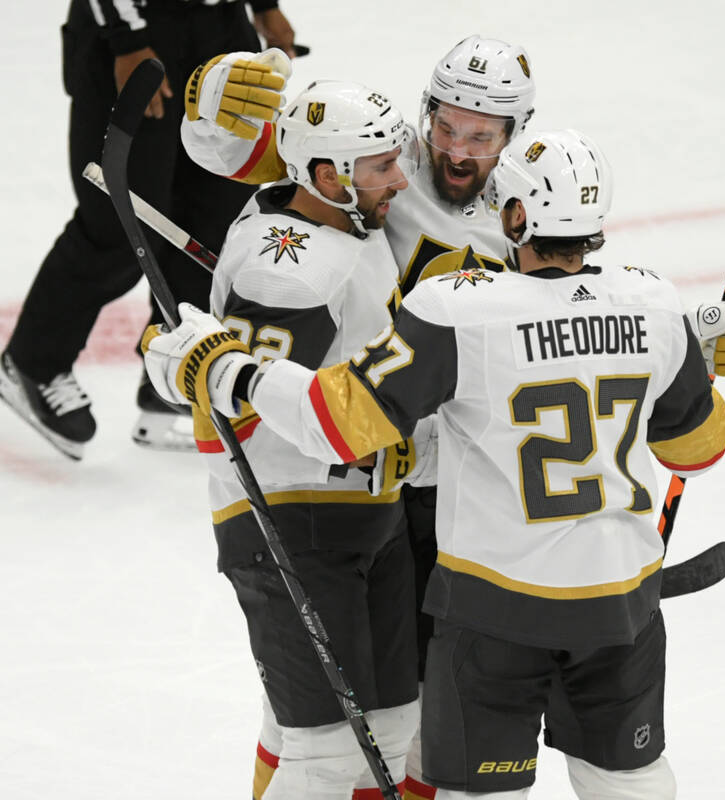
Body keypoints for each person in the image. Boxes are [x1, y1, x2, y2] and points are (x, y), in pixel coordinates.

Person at [141, 128, 725, 799]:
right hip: (622, 608)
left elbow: (340, 423)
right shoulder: (656, 305)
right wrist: (690, 368)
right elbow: (700, 449)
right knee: (630, 781)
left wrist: (227, 369)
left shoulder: (460, 309)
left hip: (497, 617)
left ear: (517, 215)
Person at [182, 35, 532, 799]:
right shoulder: (373, 153)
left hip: (448, 477)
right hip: (351, 459)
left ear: (515, 134)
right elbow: (244, 151)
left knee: (407, 716)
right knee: (323, 727)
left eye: (480, 134)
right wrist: (214, 104)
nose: (455, 147)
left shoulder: (529, 202)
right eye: (445, 125)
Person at [185, 79, 432, 799]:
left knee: (390, 730)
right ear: (328, 176)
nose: (401, 178)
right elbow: (230, 417)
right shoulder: (289, 268)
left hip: (367, 513)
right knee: (322, 753)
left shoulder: (330, 227)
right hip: (294, 522)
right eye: (382, 166)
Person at [0, 0, 298, 459]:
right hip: (139, 33)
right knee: (121, 221)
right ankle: (32, 362)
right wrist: (125, 36)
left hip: (220, 29)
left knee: (213, 219)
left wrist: (263, 6)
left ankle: (172, 380)